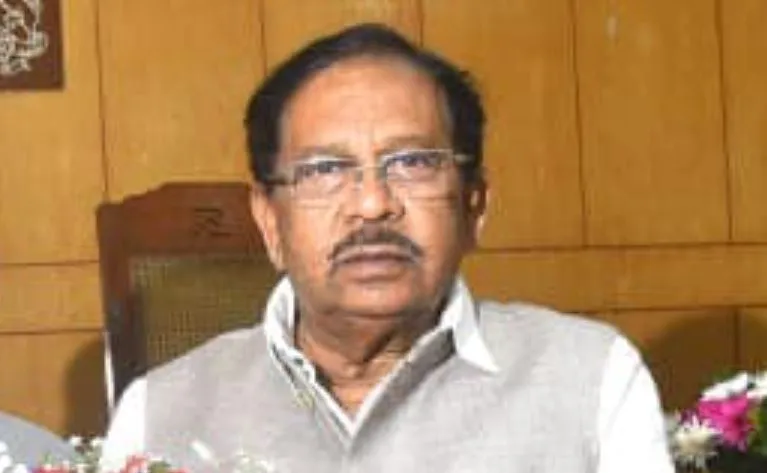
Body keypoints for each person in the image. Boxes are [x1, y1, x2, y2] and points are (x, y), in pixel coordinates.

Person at [102, 23, 674, 472]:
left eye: (413, 163)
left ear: (474, 205)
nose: (373, 204)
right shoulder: (159, 411)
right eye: (325, 169)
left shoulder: (590, 376)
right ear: (269, 221)